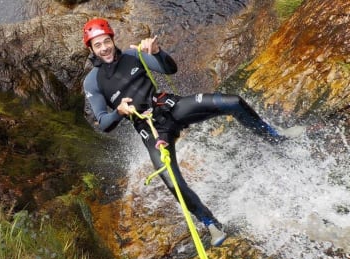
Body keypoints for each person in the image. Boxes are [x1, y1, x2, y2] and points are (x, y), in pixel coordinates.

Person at [82, 18, 285, 247]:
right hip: (153, 130)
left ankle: (274, 137)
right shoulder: (93, 83)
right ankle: (210, 222)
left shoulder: (134, 55)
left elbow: (170, 68)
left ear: (112, 39)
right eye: (97, 45)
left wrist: (158, 52)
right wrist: (119, 112)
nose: (104, 48)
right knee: (172, 182)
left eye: (106, 41)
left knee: (233, 102)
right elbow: (104, 122)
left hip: (171, 107)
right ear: (90, 49)